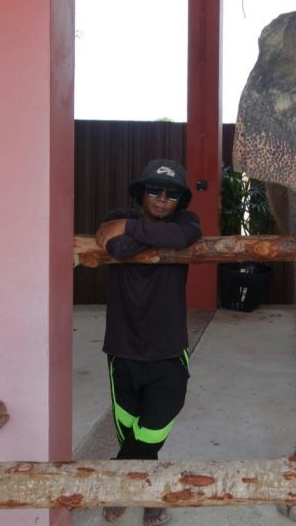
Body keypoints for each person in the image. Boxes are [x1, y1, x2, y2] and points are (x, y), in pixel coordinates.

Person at [95, 158, 202, 526]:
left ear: (180, 201)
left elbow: (182, 238)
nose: (161, 199)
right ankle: (152, 494)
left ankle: (115, 482)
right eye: (154, 190)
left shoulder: (185, 224)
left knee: (151, 432)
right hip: (122, 350)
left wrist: (128, 228)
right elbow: (118, 249)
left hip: (169, 351)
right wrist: (128, 227)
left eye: (171, 194)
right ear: (141, 193)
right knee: (133, 434)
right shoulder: (115, 215)